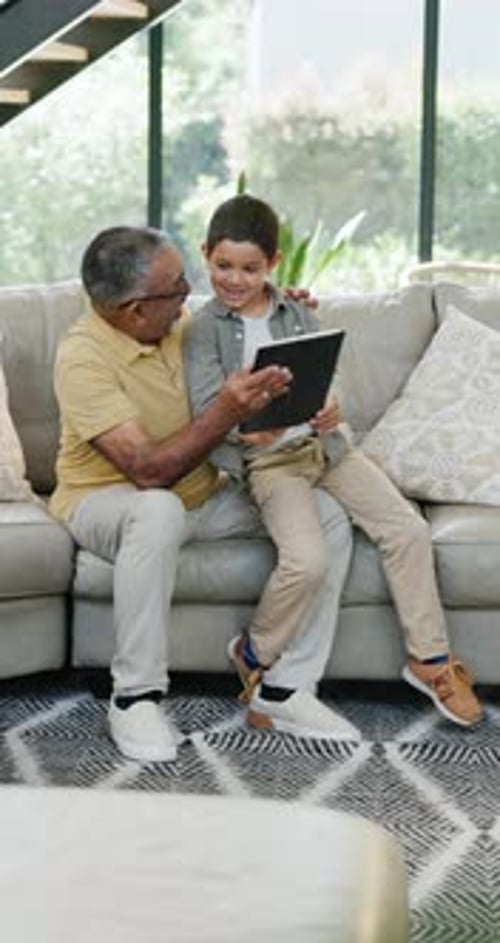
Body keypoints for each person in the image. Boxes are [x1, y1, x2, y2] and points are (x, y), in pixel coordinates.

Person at [49, 225, 357, 765]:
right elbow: (147, 471)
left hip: (205, 494)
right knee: (158, 508)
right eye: (176, 288)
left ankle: (285, 688)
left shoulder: (178, 325)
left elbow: (243, 326)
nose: (190, 294)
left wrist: (285, 307)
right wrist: (227, 412)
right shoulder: (83, 358)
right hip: (110, 503)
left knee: (327, 513)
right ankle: (134, 696)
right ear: (134, 309)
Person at [183, 193, 484, 730]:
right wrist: (249, 423)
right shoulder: (203, 329)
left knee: (407, 530)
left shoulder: (298, 309)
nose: (234, 279)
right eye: (223, 265)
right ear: (205, 254)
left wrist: (331, 405)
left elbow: (327, 370)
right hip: (270, 463)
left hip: (329, 448)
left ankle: (430, 661)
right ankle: (254, 651)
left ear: (273, 264)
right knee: (308, 562)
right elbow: (207, 409)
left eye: (250, 268)